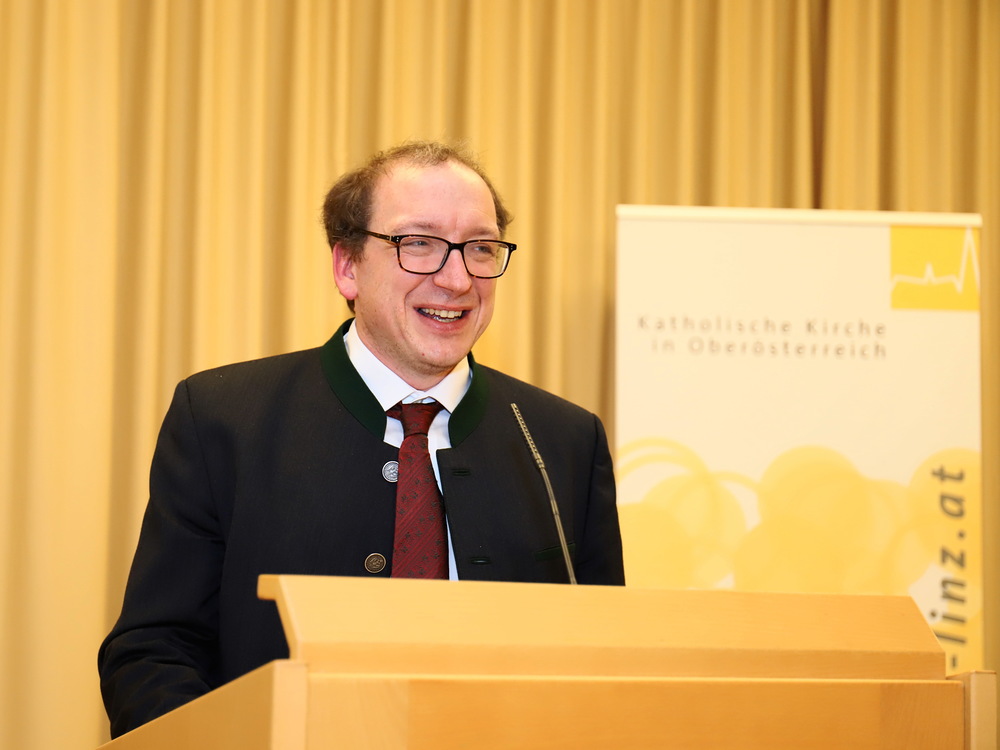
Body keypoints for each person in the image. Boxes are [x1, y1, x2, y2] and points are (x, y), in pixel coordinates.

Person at [98, 141, 625, 738]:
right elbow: (155, 652)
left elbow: (608, 662)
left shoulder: (562, 441)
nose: (457, 279)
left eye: (480, 248)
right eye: (418, 243)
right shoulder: (224, 419)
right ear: (347, 265)